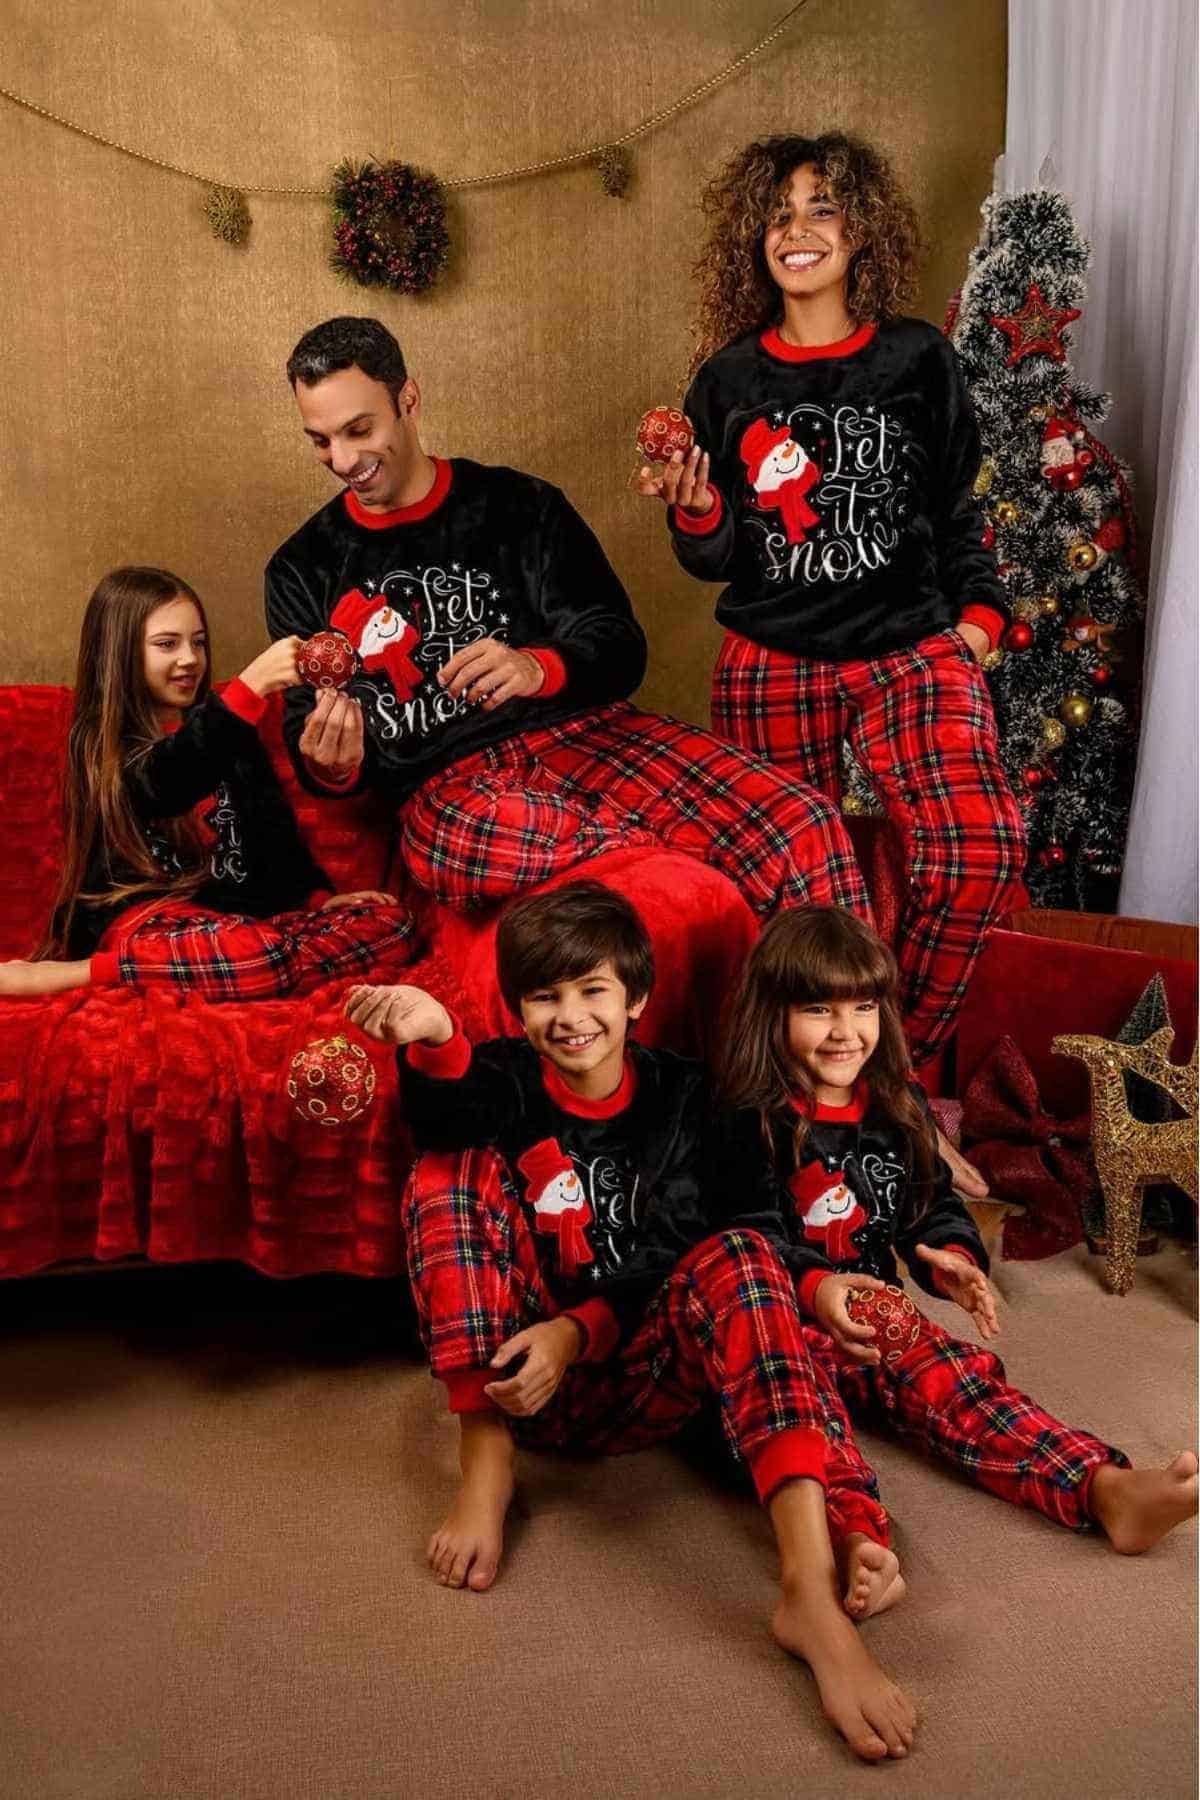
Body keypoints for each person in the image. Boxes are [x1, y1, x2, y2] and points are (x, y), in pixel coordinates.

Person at [345, 881, 919, 1764]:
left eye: (593, 991)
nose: (571, 1017)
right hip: (521, 1379)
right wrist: (435, 1036)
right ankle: (485, 1464)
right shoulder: (501, 1075)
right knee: (443, 1171)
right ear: (517, 1007)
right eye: (544, 996)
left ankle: (804, 1585)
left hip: (653, 1370)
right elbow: (451, 1111)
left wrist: (581, 1328)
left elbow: (696, 1241)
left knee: (741, 1252)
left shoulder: (691, 1097)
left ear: (638, 998)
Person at [636, 132, 1026, 1075]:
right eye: (778, 215)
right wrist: (697, 511)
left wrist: (979, 622)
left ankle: (898, 1069)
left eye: (822, 209)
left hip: (909, 647)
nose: (798, 230)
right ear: (752, 242)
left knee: (978, 850)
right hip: (773, 655)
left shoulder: (916, 359)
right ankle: (809, 1092)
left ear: (862, 233)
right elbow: (721, 556)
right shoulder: (728, 381)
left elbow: (956, 507)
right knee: (787, 894)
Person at [264, 314, 866, 924]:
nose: (341, 459)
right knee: (462, 848)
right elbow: (312, 751)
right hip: (454, 795)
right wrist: (330, 766)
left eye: (359, 430)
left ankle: (845, 1011)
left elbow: (621, 646)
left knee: (803, 823)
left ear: (409, 400)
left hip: (590, 738)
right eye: (320, 440)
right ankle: (672, 858)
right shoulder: (300, 569)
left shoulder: (521, 506)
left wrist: (536, 666)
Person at [714, 905, 1198, 1558]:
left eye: (862, 1009)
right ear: (771, 1015)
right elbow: (746, 1237)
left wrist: (952, 1256)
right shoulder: (751, 1120)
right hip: (781, 1326)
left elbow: (930, 1207)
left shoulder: (896, 1105)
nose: (844, 1032)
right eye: (818, 1010)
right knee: (807, 1421)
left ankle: (1102, 1488)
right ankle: (857, 1541)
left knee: (956, 1378)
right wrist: (819, 1289)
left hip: (870, 1315)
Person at [0, 566, 414, 1002]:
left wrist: (315, 900)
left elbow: (273, 833)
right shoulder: (100, 746)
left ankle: (252, 970)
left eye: (198, 642)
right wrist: (248, 689)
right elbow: (166, 781)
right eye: (167, 644)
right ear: (118, 652)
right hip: (151, 923)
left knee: (391, 922)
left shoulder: (229, 733)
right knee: (260, 954)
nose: (190, 659)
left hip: (239, 930)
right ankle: (81, 973)